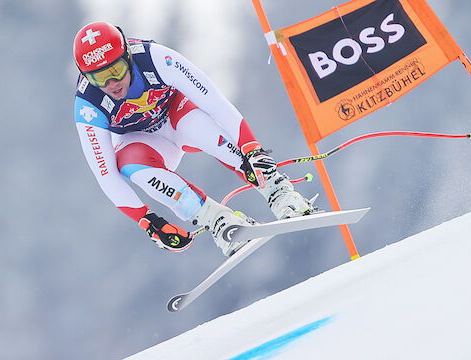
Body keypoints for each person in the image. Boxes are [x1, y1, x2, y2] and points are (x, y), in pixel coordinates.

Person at [72, 21, 315, 256]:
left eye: (115, 71)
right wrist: (148, 221)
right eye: (98, 78)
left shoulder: (153, 57)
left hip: (176, 116)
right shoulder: (87, 104)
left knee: (200, 126)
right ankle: (219, 221)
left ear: (127, 57)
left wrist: (251, 147)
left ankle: (279, 192)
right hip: (144, 143)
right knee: (127, 164)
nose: (111, 84)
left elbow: (215, 102)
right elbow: (104, 173)